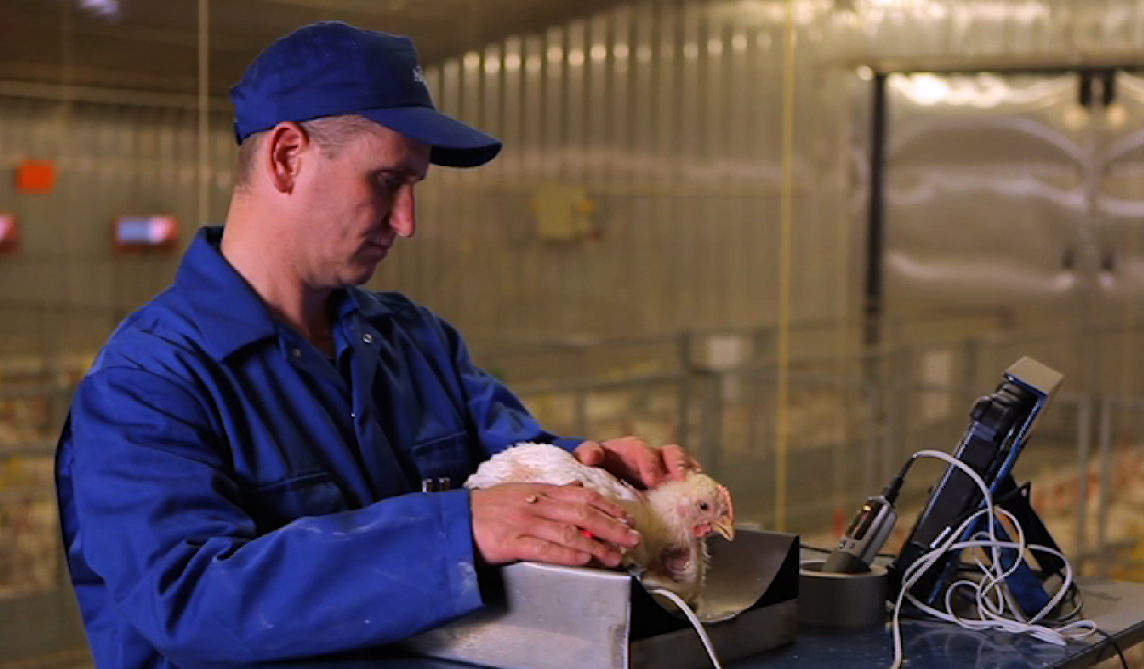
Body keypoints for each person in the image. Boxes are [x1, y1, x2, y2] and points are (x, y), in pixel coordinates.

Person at [54, 20, 703, 669]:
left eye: (414, 187)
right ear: (287, 157)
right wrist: (460, 529)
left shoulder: (417, 341)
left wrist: (585, 472)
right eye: (387, 181)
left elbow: (511, 456)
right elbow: (190, 599)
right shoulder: (150, 381)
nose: (407, 222)